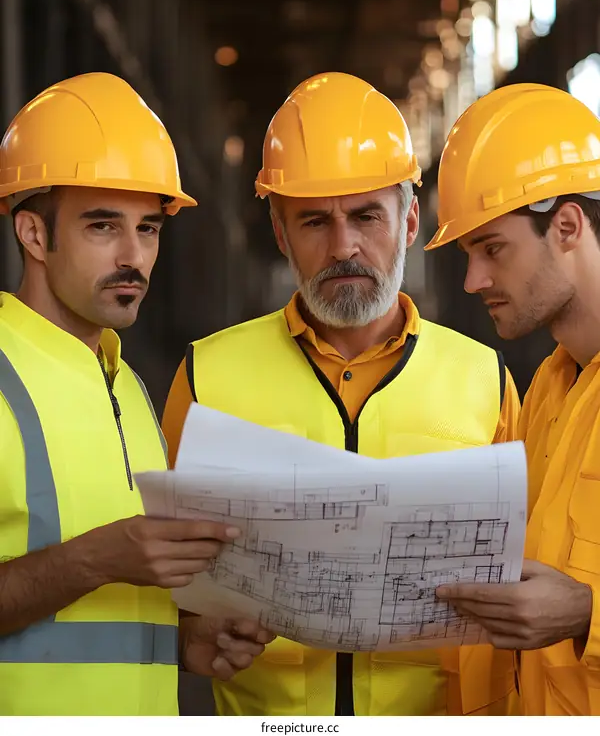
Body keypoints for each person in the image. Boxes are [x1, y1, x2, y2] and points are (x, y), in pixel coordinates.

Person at [162, 71, 521, 717]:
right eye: (313, 222)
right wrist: (186, 633)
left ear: (410, 220)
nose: (343, 246)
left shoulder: (485, 382)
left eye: (365, 216)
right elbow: (159, 579)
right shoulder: (205, 379)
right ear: (279, 233)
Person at [0, 72, 272, 716]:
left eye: (148, 229)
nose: (135, 258)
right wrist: (92, 561)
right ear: (34, 234)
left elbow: (101, 628)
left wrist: (187, 643)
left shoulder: (128, 385)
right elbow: (97, 567)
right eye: (102, 227)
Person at [426, 82, 600, 716]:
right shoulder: (548, 395)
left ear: (567, 226)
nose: (474, 280)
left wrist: (586, 613)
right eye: (470, 254)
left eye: (493, 249)